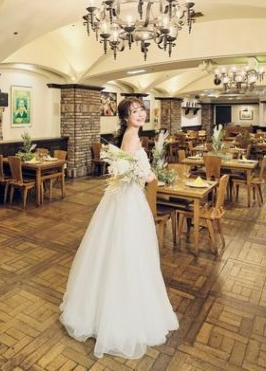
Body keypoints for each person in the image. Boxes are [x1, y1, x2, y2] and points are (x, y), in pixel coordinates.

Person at [60, 97, 178, 359]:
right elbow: (127, 172)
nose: (140, 114)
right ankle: (120, 315)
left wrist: (144, 173)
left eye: (142, 110)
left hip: (127, 199)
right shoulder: (131, 138)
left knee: (123, 251)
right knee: (127, 252)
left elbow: (126, 168)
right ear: (125, 117)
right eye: (134, 111)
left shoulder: (130, 137)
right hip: (128, 203)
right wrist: (149, 175)